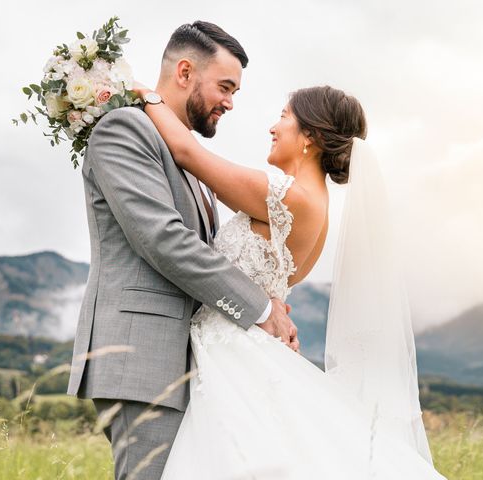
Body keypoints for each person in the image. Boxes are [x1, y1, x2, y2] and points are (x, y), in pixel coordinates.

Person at [132, 82, 446, 479]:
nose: (273, 127)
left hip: (231, 358)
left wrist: (145, 93)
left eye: (284, 116)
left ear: (310, 137)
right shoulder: (317, 206)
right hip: (244, 347)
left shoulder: (287, 197)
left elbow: (186, 152)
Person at [66, 21, 299, 480]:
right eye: (225, 87)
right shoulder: (123, 130)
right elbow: (164, 240)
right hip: (141, 359)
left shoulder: (184, 155)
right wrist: (257, 310)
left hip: (190, 362)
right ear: (186, 72)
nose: (231, 102)